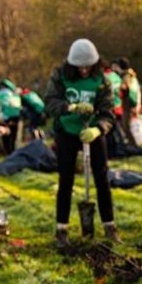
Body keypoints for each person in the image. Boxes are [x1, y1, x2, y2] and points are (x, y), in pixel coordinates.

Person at [44, 38, 120, 247]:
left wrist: (98, 129)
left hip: (92, 132)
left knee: (102, 179)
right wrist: (71, 107)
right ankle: (62, 229)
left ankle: (109, 225)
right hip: (66, 132)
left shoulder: (102, 80)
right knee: (65, 180)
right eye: (80, 67)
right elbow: (50, 102)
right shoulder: (60, 76)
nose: (84, 70)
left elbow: (108, 111)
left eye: (88, 66)